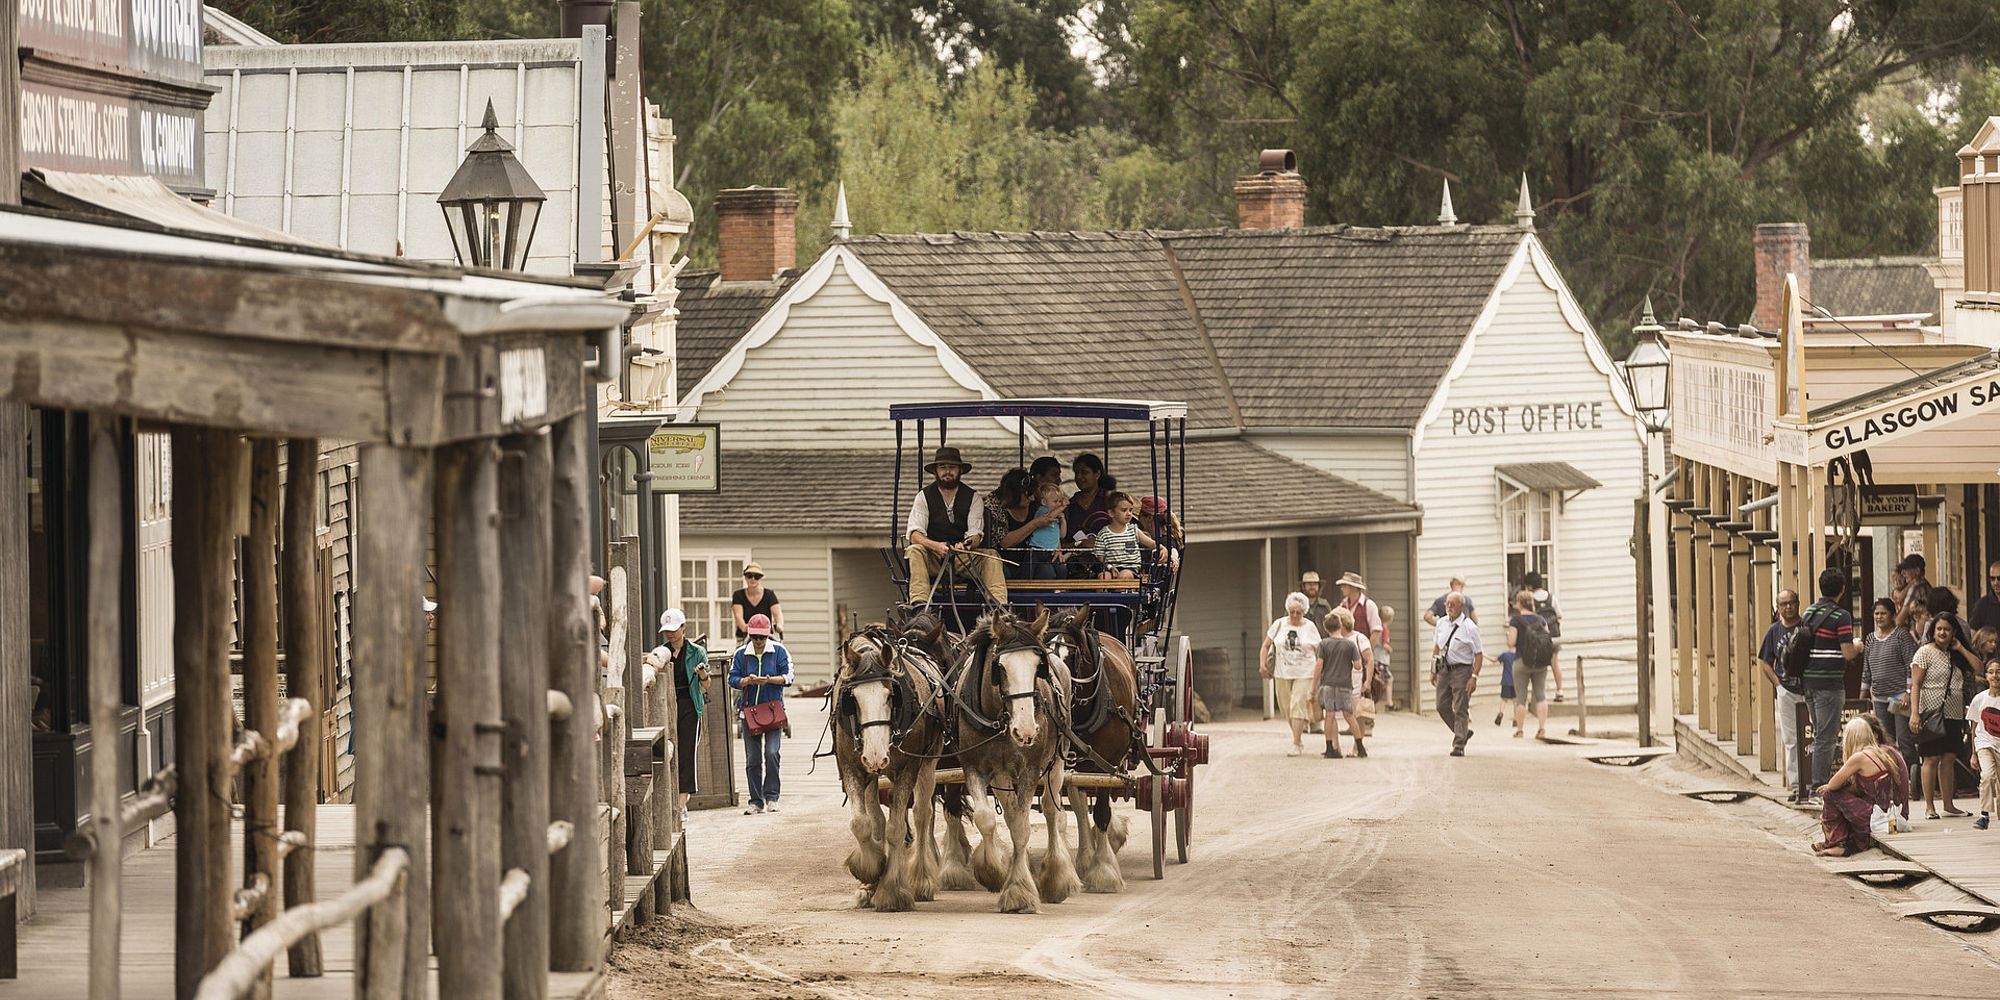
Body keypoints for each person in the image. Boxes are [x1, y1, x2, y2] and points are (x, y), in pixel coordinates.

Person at [904, 446, 1009, 604]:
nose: (947, 472)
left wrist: (966, 546)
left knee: (992, 556)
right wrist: (936, 546)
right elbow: (914, 535)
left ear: (960, 470)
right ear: (936, 471)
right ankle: (920, 604)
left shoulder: (973, 497)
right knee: (913, 550)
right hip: (934, 558)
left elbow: (976, 535)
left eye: (952, 467)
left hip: (963, 559)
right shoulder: (923, 496)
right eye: (943, 467)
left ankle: (998, 608)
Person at [1811, 716, 1910, 857]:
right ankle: (1840, 843)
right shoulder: (1881, 752)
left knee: (1830, 794)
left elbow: (1833, 786)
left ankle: (1837, 843)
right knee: (1841, 796)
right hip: (1888, 813)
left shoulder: (1860, 757)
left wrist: (1830, 786)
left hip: (1876, 815)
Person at [645, 608, 709, 823]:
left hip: (690, 704)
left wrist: (702, 674)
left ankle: (681, 803)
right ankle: (668, 799)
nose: (671, 635)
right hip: (667, 704)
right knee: (667, 749)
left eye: (674, 630)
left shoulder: (697, 651)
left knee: (686, 752)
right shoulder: (661, 652)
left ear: (683, 627)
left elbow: (706, 684)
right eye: (667, 631)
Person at [1801, 567, 1861, 787]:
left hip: (1809, 682)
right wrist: (1858, 646)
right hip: (1828, 683)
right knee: (1826, 738)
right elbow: (1847, 653)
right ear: (1842, 589)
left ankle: (1816, 785)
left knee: (1819, 735)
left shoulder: (1808, 612)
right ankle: (1819, 787)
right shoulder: (1841, 615)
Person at [728, 613, 792, 814]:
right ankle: (756, 800)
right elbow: (732, 678)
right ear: (749, 635)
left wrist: (769, 680)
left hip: (773, 710)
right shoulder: (740, 654)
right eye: (754, 637)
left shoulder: (780, 651)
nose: (758, 641)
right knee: (753, 759)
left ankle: (772, 796)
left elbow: (789, 676)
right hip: (749, 712)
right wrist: (746, 681)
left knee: (772, 753)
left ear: (768, 635)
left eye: (762, 637)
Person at [1910, 613, 1971, 820]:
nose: (1942, 632)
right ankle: (1929, 806)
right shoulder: (1924, 652)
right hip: (1930, 712)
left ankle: (1948, 804)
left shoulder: (1957, 654)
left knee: (1949, 757)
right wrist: (1914, 714)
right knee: (1931, 757)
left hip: (1954, 713)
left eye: (1947, 629)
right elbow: (1915, 685)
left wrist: (1961, 648)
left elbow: (1979, 667)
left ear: (1954, 632)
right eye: (1939, 629)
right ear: (1933, 631)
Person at [1258, 592, 1323, 756]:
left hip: (1304, 673)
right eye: (1292, 611)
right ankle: (1298, 734)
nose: (1295, 615)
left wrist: (1318, 673)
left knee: (1297, 705)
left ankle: (1296, 743)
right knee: (1286, 708)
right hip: (1282, 673)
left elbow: (1320, 651)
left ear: (1304, 612)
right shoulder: (1279, 624)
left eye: (1299, 612)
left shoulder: (1310, 627)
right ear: (1287, 610)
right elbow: (1266, 645)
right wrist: (1262, 664)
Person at [1756, 590, 1806, 789]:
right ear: (1778, 607)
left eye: (1791, 602)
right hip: (1786, 690)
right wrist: (1778, 684)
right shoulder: (1774, 631)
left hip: (1809, 689)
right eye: (1783, 604)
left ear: (1798, 603)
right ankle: (1795, 784)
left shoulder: (1806, 627)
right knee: (1791, 738)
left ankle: (1814, 781)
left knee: (1814, 736)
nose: (1788, 607)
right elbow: (1765, 662)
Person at [1860, 597, 1918, 766]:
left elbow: (1911, 665)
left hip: (1899, 698)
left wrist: (1908, 693)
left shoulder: (1902, 636)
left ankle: (1913, 779)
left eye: (1883, 613)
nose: (1879, 617)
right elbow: (1866, 670)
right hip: (1879, 698)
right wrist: (1862, 697)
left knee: (1904, 740)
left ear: (1892, 615)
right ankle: (1893, 778)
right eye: (1877, 614)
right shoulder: (1870, 639)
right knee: (1885, 743)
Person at [1431, 591, 1483, 756]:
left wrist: (1473, 677)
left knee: (1461, 706)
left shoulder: (1470, 628)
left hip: (1462, 670)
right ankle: (1463, 732)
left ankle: (1459, 744)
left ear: (1462, 606)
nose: (1449, 607)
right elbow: (1437, 647)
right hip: (1444, 669)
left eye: (1453, 604)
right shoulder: (1441, 623)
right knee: (1441, 705)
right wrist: (1433, 671)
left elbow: (1479, 655)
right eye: (1447, 603)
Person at [1314, 607, 1371, 758]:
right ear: (1341, 626)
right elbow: (1358, 665)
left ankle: (1330, 749)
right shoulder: (1350, 645)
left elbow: (1319, 665)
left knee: (1330, 716)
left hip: (1328, 684)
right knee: (1350, 716)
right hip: (1345, 684)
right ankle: (1360, 747)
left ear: (1326, 628)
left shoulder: (1323, 644)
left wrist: (1313, 686)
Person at [1507, 589, 1563, 740]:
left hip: (1521, 661)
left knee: (1521, 698)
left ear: (1519, 603)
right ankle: (1541, 728)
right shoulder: (1541, 620)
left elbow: (1511, 642)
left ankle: (1520, 730)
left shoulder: (1515, 621)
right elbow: (1547, 639)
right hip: (1540, 662)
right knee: (1540, 695)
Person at [989, 468, 1055, 581]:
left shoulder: (1036, 506)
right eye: (1028, 494)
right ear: (1014, 493)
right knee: (1000, 571)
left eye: (1033, 494)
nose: (1032, 498)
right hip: (1004, 562)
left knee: (1047, 571)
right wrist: (1035, 524)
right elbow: (1004, 542)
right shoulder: (995, 508)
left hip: (1032, 561)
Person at [1093, 492, 1157, 580]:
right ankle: (1102, 593)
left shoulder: (1133, 530)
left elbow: (1152, 544)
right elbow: (1100, 554)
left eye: (1130, 510)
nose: (1129, 514)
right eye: (1124, 510)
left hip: (1131, 569)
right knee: (1103, 577)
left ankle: (1120, 593)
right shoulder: (1103, 534)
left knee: (1124, 575)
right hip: (1111, 568)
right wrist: (1109, 567)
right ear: (1111, 513)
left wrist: (1163, 549)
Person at [1970, 659, 2000, 831]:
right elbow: (1974, 728)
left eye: (1998, 671)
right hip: (1985, 743)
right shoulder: (1979, 699)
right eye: (1991, 672)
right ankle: (1984, 814)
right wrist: (1973, 753)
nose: (1995, 675)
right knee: (1987, 775)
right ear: (1986, 676)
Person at [731, 564, 783, 642]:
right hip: (744, 637)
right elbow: (739, 617)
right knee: (740, 653)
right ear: (745, 577)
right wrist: (748, 628)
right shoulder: (738, 595)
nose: (753, 579)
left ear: (761, 578)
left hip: (766, 637)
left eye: (757, 577)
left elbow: (777, 614)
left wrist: (779, 625)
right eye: (749, 576)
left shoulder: (769, 594)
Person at [1970, 560, 2000, 635]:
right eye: (1992, 579)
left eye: (1999, 578)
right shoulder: (1982, 605)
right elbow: (1973, 633)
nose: (1996, 583)